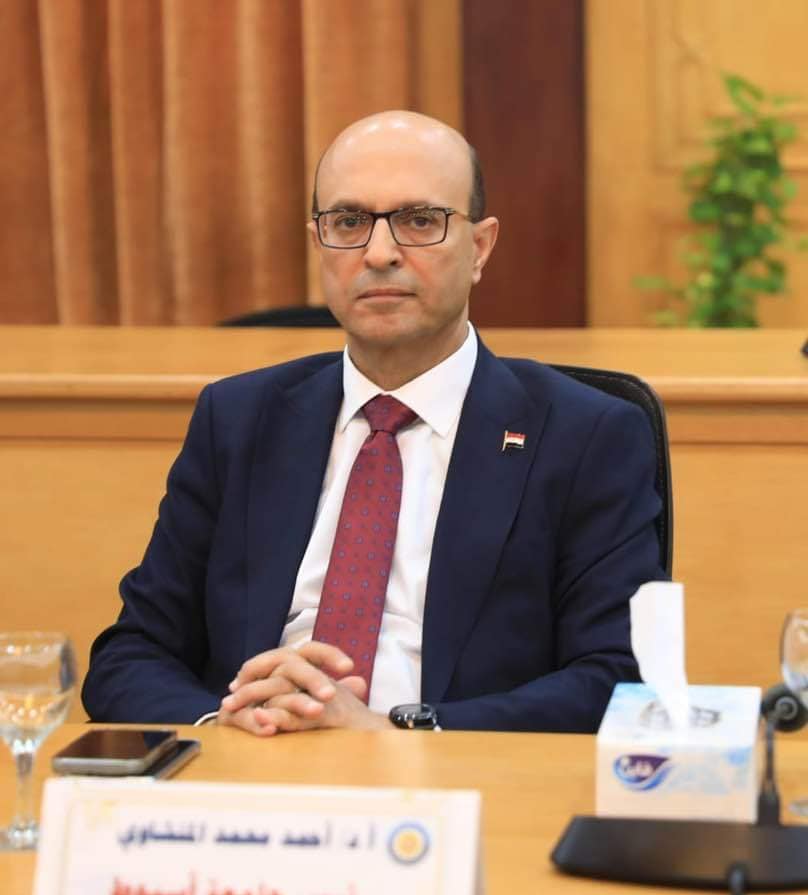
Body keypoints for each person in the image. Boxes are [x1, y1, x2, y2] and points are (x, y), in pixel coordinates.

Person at [82, 111, 663, 735]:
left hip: (454, 775)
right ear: (319, 244)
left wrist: (396, 735)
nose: (380, 253)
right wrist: (225, 727)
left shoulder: (585, 434)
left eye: (420, 221)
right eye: (349, 222)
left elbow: (617, 675)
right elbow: (130, 654)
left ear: (480, 247)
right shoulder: (238, 419)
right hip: (256, 767)